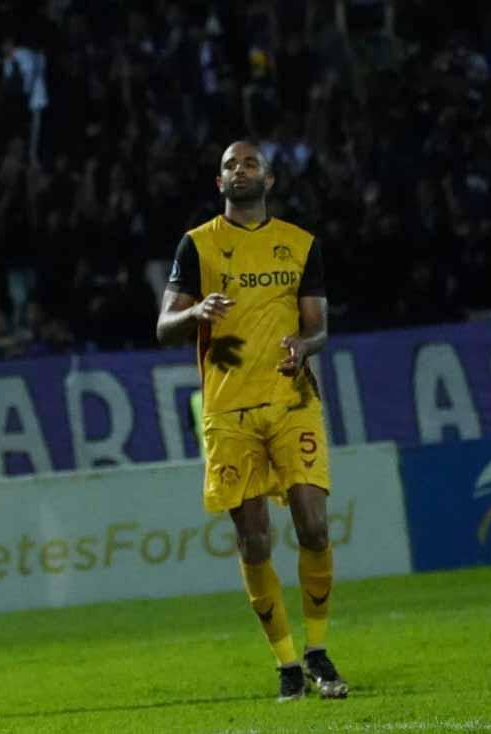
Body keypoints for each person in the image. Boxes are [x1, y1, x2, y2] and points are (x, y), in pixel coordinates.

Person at [156, 141, 348, 701]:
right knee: (255, 539)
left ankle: (318, 650)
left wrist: (304, 346)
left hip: (291, 400)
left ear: (269, 178)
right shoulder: (197, 245)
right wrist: (196, 312)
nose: (239, 171)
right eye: (229, 166)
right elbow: (164, 326)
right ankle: (287, 661)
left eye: (249, 164)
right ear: (220, 184)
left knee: (313, 523)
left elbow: (319, 329)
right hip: (228, 408)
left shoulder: (300, 244)